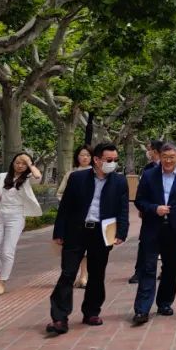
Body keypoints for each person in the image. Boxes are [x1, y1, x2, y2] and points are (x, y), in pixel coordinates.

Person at [46, 142, 130, 335]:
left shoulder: (119, 181)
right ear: (97, 160)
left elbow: (123, 209)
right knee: (68, 273)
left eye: (115, 160)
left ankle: (91, 312)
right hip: (76, 231)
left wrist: (121, 233)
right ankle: (59, 318)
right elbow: (65, 207)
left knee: (97, 274)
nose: (112, 163)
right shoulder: (77, 178)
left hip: (102, 233)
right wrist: (59, 232)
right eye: (109, 159)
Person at [131, 141, 176, 324]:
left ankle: (165, 303)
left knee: (171, 268)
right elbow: (139, 201)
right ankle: (142, 309)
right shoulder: (149, 175)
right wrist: (154, 208)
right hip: (152, 227)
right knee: (148, 267)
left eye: (172, 157)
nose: (168, 161)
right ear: (159, 157)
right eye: (165, 157)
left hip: (174, 229)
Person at [0, 153, 43, 295]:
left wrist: (29, 162)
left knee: (7, 252)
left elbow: (38, 176)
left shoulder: (28, 179)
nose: (20, 166)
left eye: (23, 163)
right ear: (12, 163)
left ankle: (2, 282)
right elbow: (0, 195)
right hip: (0, 216)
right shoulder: (2, 176)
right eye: (17, 162)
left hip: (16, 217)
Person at [129, 139, 164, 284]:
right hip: (150, 212)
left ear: (155, 151)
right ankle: (140, 272)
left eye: (149, 149)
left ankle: (165, 270)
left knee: (167, 243)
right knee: (144, 243)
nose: (148, 152)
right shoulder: (148, 169)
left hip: (169, 213)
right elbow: (141, 193)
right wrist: (144, 208)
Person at [58, 145, 93, 288]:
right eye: (82, 155)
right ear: (77, 157)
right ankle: (70, 275)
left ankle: (84, 276)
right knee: (72, 249)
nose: (85, 158)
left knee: (87, 250)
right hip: (73, 218)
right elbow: (60, 193)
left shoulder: (96, 173)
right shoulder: (70, 174)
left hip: (90, 218)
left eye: (88, 155)